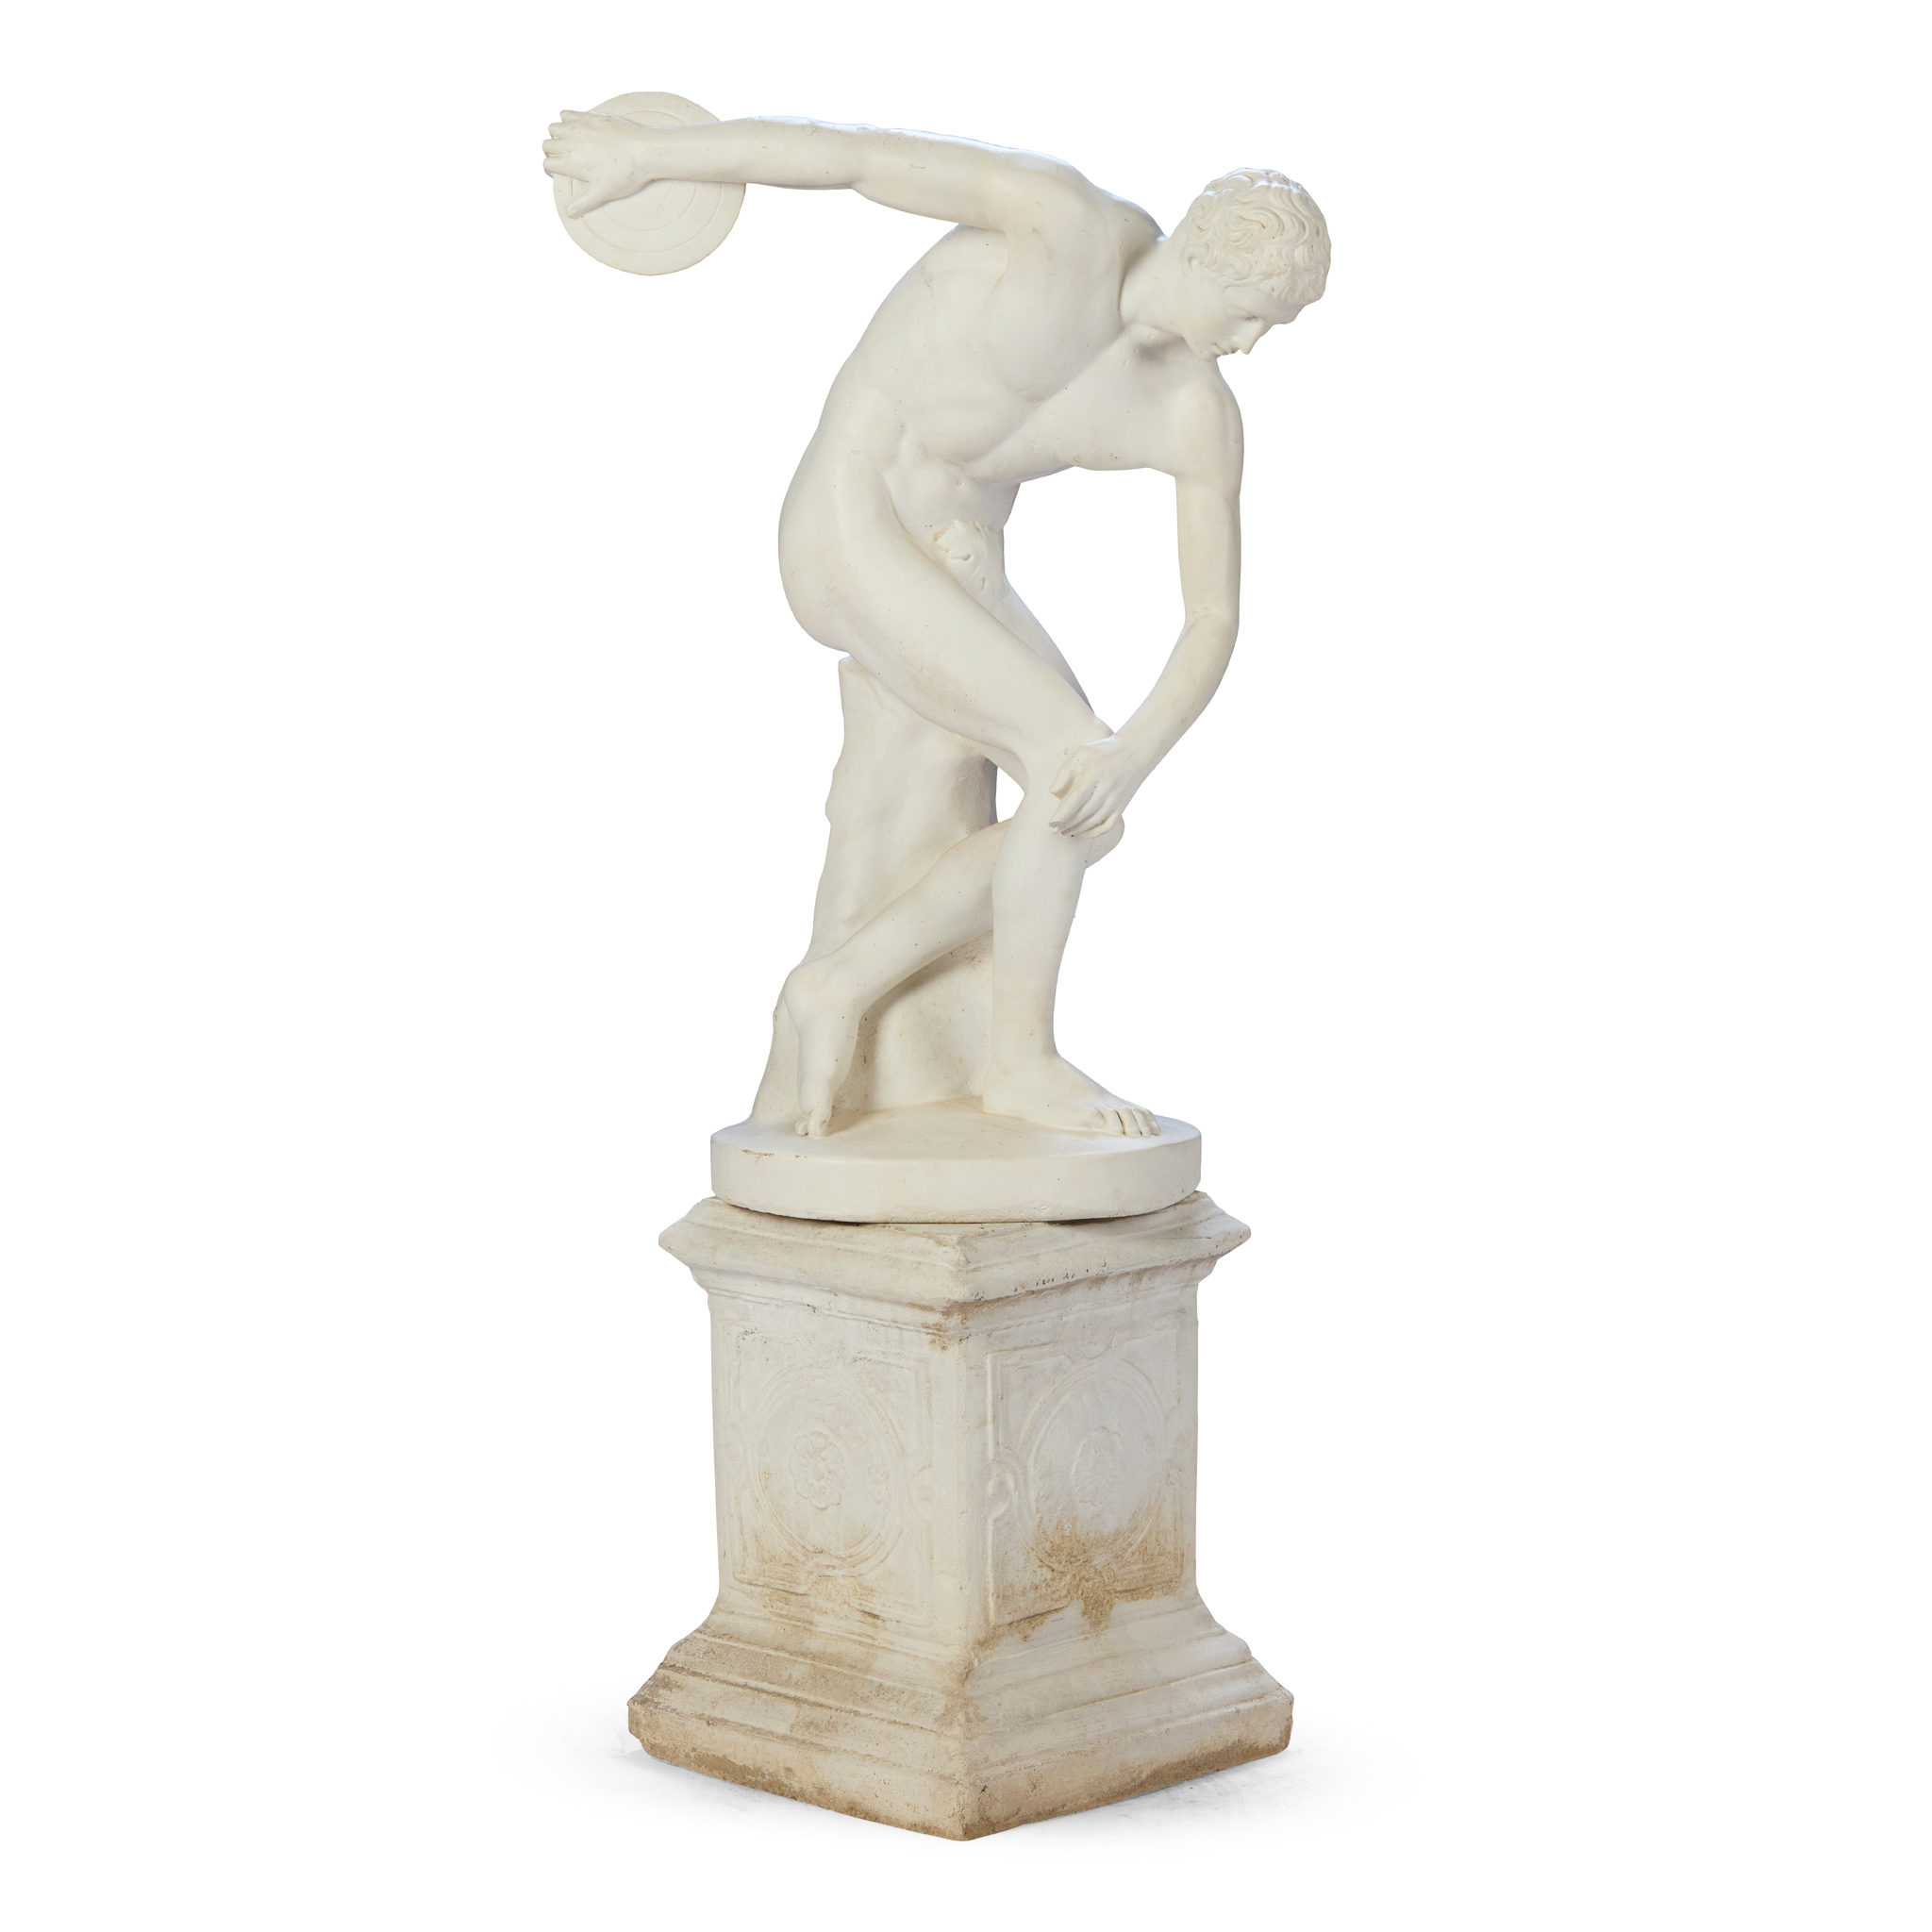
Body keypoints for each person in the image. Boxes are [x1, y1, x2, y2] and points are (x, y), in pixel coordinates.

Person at [542, 113, 1329, 1136]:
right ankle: (1017, 1064)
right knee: (1063, 758)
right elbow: (856, 160)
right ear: (1202, 252)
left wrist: (1131, 754)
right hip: (848, 520)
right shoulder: (1061, 224)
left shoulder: (1194, 413)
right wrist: (649, 156)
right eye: (1253, 312)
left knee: (1082, 806)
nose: (1252, 344)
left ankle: (838, 985)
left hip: (957, 567)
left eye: (1275, 326)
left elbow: (1212, 617)